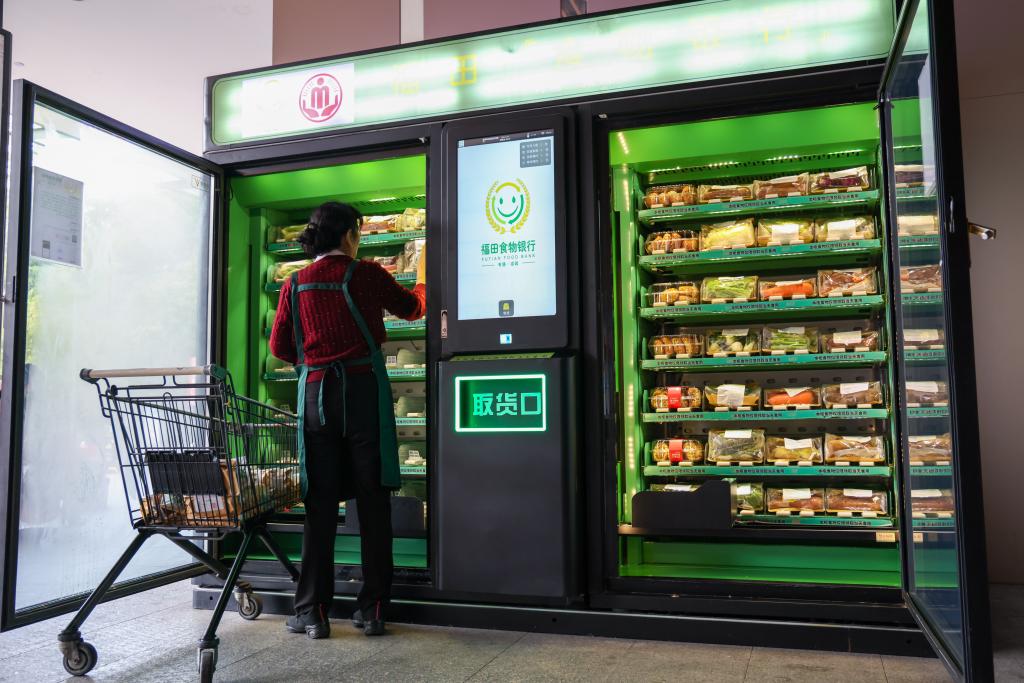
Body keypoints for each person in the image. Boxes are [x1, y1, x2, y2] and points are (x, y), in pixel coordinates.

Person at [269, 201, 426, 639]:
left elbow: (280, 346)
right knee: (373, 503)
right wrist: (424, 281)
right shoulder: (368, 274)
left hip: (316, 395)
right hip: (362, 394)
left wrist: (315, 359)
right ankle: (373, 608)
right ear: (351, 235)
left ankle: (312, 611)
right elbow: (412, 309)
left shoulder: (295, 284)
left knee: (319, 504)